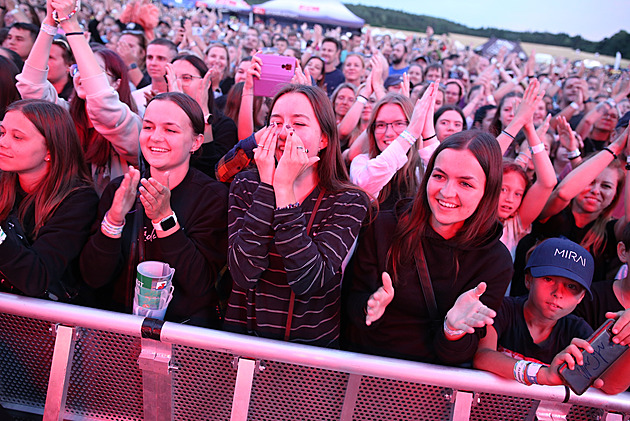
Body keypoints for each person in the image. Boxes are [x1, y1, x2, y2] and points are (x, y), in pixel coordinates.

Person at [344, 130, 513, 363]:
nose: (446, 192)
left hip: (428, 391)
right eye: (440, 176)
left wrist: (453, 330)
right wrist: (368, 306)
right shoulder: (382, 227)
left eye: (465, 183)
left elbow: (460, 354)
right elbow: (348, 302)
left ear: (488, 190)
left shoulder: (495, 261)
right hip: (363, 372)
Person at [224, 84, 370, 347]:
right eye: (276, 122)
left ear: (324, 139)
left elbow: (309, 280)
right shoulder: (245, 185)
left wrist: (283, 190)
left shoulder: (349, 200)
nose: (283, 132)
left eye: (298, 124)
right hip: (242, 343)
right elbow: (244, 273)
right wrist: (268, 187)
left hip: (308, 354)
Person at [80, 92, 228, 327]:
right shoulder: (121, 189)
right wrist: (114, 221)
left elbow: (199, 284)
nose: (156, 138)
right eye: (148, 127)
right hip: (117, 332)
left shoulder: (212, 197)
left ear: (196, 142)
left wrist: (164, 220)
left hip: (182, 337)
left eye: (170, 130)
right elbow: (93, 277)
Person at [16, 0, 141, 195]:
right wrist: (49, 24)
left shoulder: (133, 126)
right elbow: (30, 88)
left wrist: (71, 26)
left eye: (94, 72)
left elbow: (102, 105)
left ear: (117, 83)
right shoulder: (64, 115)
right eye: (78, 69)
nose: (82, 75)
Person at [512, 126, 630, 296]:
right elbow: (562, 193)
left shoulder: (611, 230)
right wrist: (616, 147)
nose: (596, 191)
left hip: (576, 320)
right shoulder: (554, 214)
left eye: (606, 186)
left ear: (615, 195)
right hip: (521, 308)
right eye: (590, 182)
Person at [0, 99, 98, 302]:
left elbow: (36, 278)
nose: (3, 142)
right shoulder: (3, 182)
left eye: (17, 137)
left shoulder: (78, 201)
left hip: (42, 325)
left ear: (50, 151)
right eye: (2, 132)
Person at [474, 238, 596, 387]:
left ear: (581, 297)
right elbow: (483, 356)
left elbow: (604, 382)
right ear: (528, 280)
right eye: (548, 279)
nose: (558, 293)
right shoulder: (503, 309)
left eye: (571, 286)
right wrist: (542, 375)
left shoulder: (578, 331)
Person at [349, 86, 439, 209]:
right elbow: (365, 188)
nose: (388, 133)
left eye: (399, 123)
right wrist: (409, 134)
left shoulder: (421, 168)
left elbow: (444, 177)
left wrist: (427, 130)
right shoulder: (361, 162)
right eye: (381, 125)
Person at [165, 53, 238, 178]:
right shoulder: (158, 120)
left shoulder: (224, 125)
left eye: (186, 78)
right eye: (173, 78)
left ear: (206, 83)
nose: (178, 85)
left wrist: (204, 115)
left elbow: (210, 169)